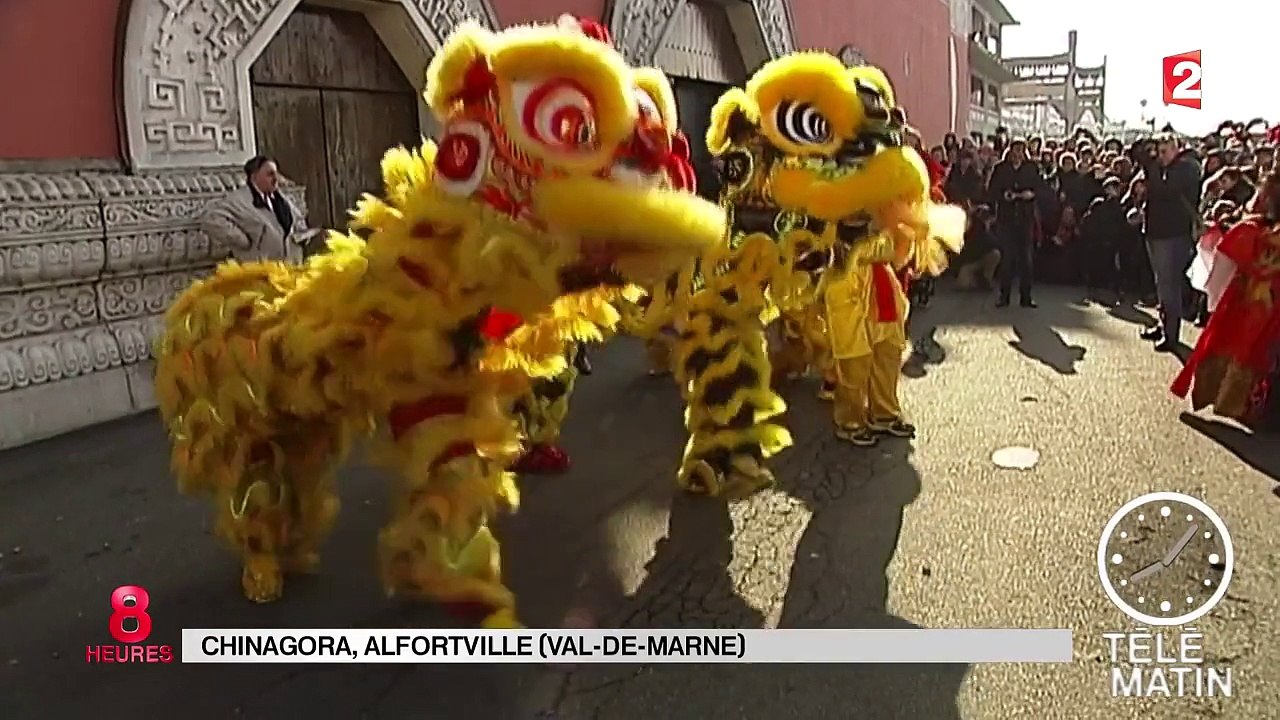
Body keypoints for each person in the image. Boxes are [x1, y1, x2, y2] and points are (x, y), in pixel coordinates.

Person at [1171, 171, 1280, 428]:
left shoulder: (1254, 230)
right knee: (1253, 349)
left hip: (1259, 298)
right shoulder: (1254, 229)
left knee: (1255, 349)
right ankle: (1251, 405)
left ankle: (1252, 405)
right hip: (1259, 298)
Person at [1139, 133, 1202, 350]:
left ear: (1176, 149)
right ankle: (1163, 323)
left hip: (1173, 234)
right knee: (1161, 283)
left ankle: (1171, 334)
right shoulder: (1161, 169)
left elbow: (1164, 190)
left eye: (1164, 151)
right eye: (1158, 152)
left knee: (1170, 285)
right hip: (1156, 231)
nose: (1160, 156)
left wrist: (1151, 169)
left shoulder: (1186, 169)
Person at [199, 155, 313, 263]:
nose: (276, 179)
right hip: (260, 268)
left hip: (290, 267)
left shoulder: (281, 198)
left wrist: (302, 235)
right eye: (270, 174)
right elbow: (211, 219)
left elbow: (297, 220)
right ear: (254, 177)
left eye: (276, 173)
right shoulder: (238, 200)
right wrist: (242, 240)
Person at [987, 138, 1043, 307]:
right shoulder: (1001, 169)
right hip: (1007, 218)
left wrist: (1031, 194)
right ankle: (1004, 296)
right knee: (1007, 258)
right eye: (1015, 150)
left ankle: (1026, 297)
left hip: (1025, 218)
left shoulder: (1031, 168)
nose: (1018, 154)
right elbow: (992, 190)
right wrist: (1003, 195)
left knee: (1026, 259)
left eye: (1021, 150)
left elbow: (1040, 188)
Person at [954, 205, 1001, 290]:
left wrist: (987, 226)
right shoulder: (967, 228)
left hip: (982, 258)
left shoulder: (987, 230)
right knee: (964, 285)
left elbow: (995, 243)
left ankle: (986, 278)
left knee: (995, 254)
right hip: (969, 262)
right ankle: (977, 280)